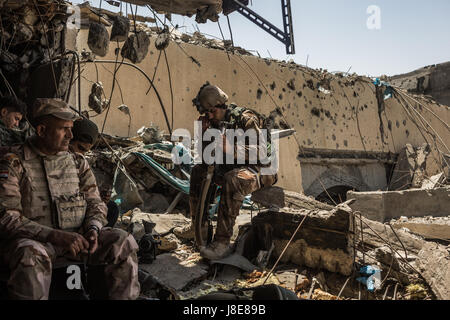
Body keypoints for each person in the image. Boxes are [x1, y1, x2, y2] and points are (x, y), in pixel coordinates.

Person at [0, 98, 140, 300]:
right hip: (36, 242)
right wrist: (54, 236)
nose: (70, 135)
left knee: (122, 241)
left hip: (78, 239)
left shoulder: (77, 162)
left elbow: (95, 203)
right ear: (41, 131)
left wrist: (93, 228)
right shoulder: (14, 163)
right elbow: (7, 218)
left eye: (71, 128)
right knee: (30, 255)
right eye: (64, 129)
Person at [174, 84, 278, 260]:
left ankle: (222, 242)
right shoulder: (215, 123)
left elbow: (260, 152)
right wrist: (203, 135)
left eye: (211, 112)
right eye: (207, 113)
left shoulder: (246, 119)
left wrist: (231, 148)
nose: (209, 116)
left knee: (233, 179)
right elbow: (206, 158)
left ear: (220, 107)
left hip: (261, 170)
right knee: (199, 171)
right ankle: (199, 227)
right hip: (234, 165)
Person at [69, 118, 119, 228]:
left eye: (85, 151)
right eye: (80, 148)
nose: (81, 154)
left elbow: (89, 193)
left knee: (111, 208)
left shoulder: (80, 163)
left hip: (80, 208)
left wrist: (99, 198)